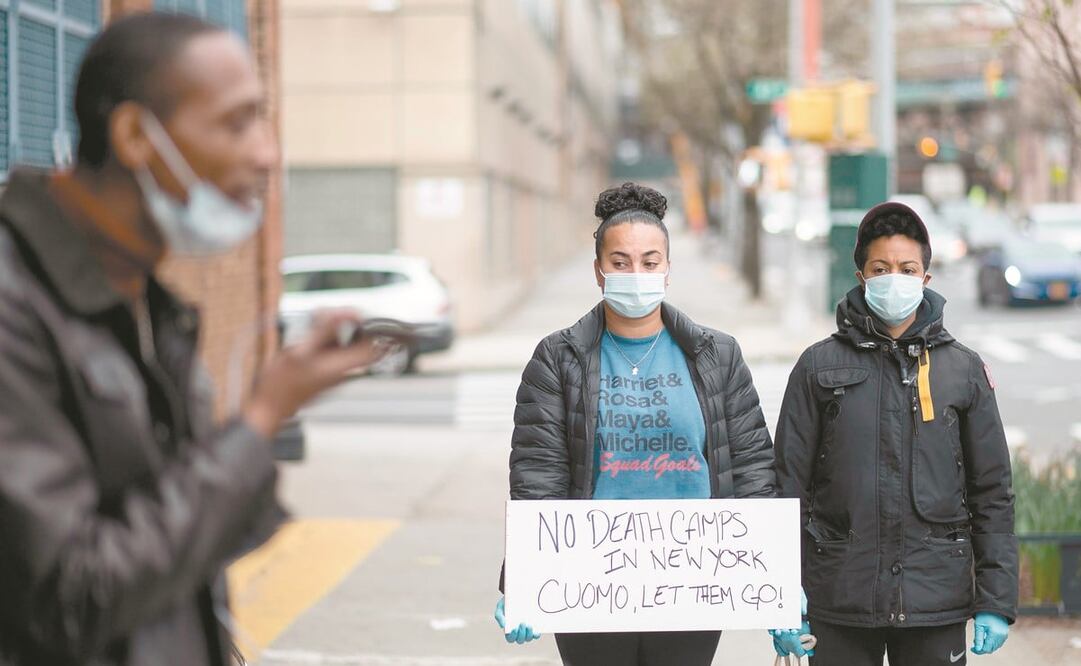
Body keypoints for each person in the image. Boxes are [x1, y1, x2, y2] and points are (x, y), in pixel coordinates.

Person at [0, 13, 386, 666]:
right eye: (236, 123)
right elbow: (75, 595)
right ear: (133, 135)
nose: (265, 153)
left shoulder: (146, 299)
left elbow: (179, 545)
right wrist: (258, 422)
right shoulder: (17, 303)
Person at [492, 182, 776, 665]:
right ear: (599, 272)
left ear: (667, 270)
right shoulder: (557, 359)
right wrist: (525, 575)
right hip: (588, 579)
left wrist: (777, 580)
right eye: (620, 262)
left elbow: (751, 468)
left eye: (649, 261)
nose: (635, 272)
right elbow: (538, 477)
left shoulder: (716, 356)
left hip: (695, 577)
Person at [772, 202, 1018, 665]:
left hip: (934, 600)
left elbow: (992, 492)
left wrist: (996, 600)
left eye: (907, 269)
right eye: (880, 268)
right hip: (839, 597)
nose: (894, 278)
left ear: (926, 277)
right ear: (862, 275)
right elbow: (786, 486)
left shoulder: (962, 370)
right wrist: (781, 592)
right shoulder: (817, 366)